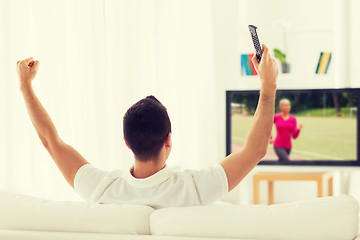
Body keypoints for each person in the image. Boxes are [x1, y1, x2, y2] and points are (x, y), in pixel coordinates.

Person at [16, 44, 278, 209]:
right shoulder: (195, 189)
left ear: (126, 141)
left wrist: (25, 86)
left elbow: (51, 142)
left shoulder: (101, 189)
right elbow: (255, 150)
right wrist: (268, 86)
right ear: (169, 140)